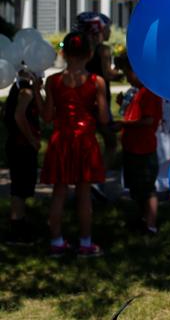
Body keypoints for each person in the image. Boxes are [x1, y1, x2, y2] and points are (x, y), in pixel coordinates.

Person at [39, 31, 108, 257]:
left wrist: (38, 96)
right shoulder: (96, 81)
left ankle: (57, 241)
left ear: (64, 53)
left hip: (61, 141)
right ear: (89, 54)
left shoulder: (53, 81)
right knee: (84, 194)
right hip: (85, 142)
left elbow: (47, 117)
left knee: (59, 192)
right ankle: (86, 242)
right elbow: (105, 118)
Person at [116, 52, 162, 235]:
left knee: (147, 189)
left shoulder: (148, 93)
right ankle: (142, 219)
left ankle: (150, 225)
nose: (127, 78)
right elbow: (134, 114)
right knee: (136, 189)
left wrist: (123, 124)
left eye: (128, 73)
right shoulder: (136, 93)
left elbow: (148, 120)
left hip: (144, 150)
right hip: (132, 148)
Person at [77, 12, 122, 170]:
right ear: (100, 29)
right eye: (108, 27)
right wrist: (124, 72)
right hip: (100, 97)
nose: (110, 31)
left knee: (84, 140)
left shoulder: (81, 49)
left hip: (83, 98)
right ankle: (98, 176)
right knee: (111, 142)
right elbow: (108, 74)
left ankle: (84, 175)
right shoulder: (103, 50)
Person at [3, 68, 43, 244]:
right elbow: (19, 116)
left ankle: (19, 221)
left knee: (19, 186)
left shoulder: (16, 87)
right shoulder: (25, 91)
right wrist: (31, 138)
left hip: (14, 144)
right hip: (21, 146)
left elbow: (6, 112)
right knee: (20, 188)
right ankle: (17, 227)